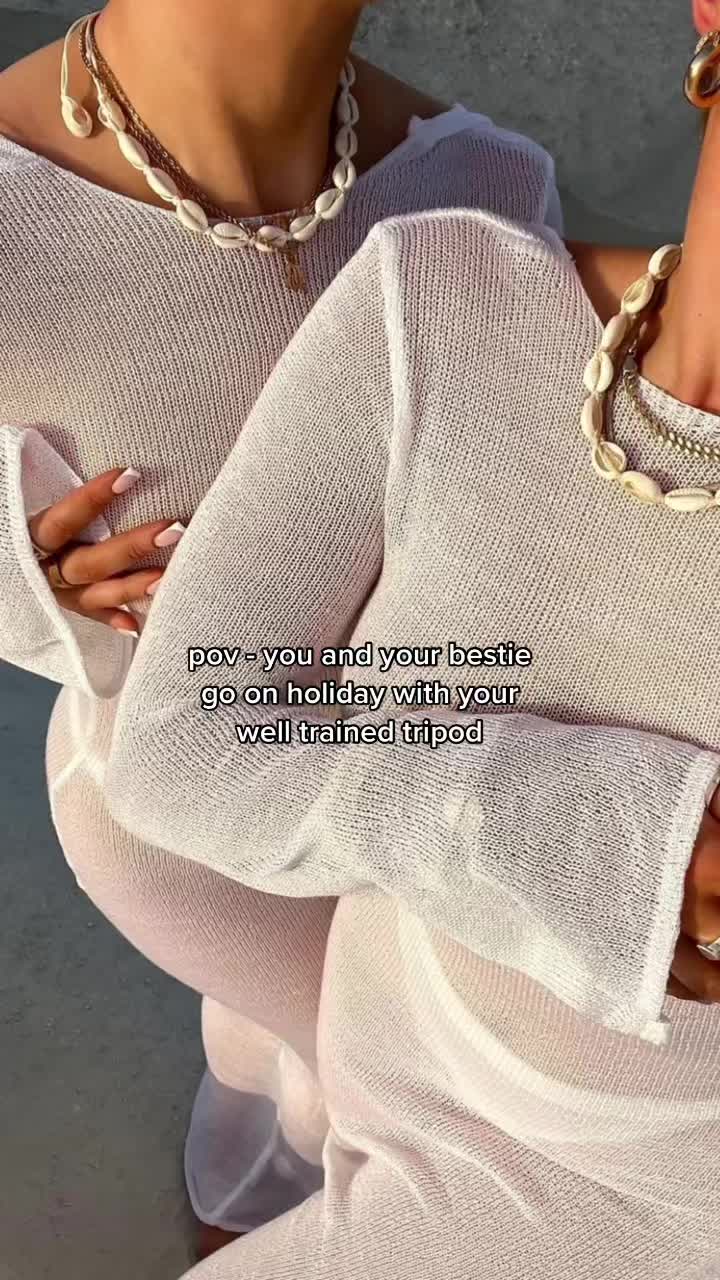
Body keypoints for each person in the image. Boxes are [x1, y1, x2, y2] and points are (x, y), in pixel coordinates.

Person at [106, 4, 720, 1278]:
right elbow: (183, 740)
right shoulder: (440, 295)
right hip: (377, 1037)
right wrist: (577, 827)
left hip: (651, 1198)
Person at [0, 0, 565, 1259]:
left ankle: (267, 1163)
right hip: (176, 833)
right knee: (359, 1085)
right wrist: (19, 564)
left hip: (426, 765)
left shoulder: (485, 186)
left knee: (351, 1079)